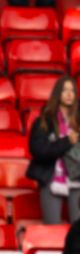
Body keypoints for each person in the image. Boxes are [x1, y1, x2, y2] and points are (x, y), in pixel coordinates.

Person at [27, 75, 80, 224]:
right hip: (51, 176)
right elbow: (38, 150)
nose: (69, 94)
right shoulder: (44, 121)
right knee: (52, 229)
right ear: (58, 94)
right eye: (65, 90)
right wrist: (67, 141)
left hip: (77, 176)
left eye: (72, 91)